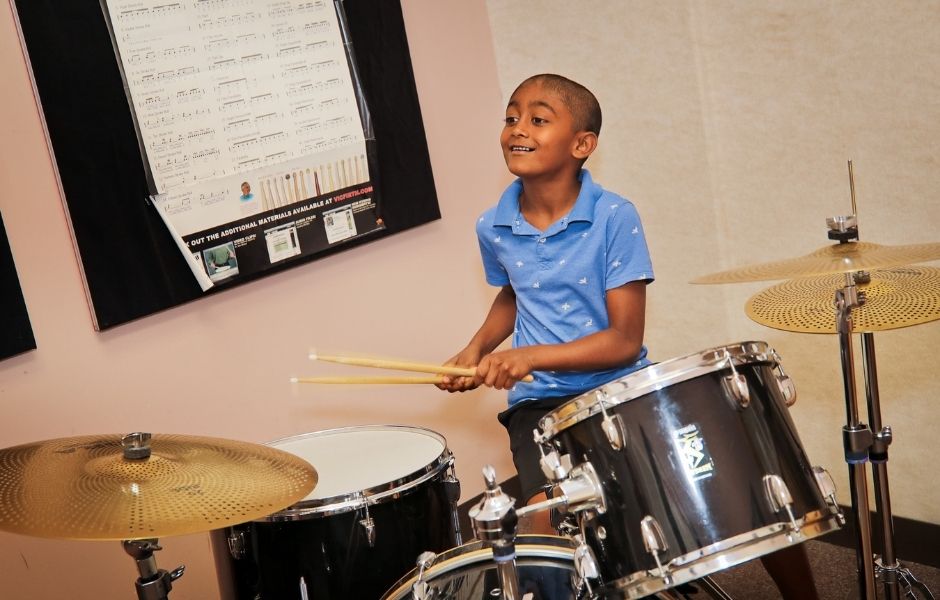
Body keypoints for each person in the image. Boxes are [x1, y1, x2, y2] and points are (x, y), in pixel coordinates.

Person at [439, 73, 819, 599]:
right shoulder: (492, 225)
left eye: (538, 119)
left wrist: (527, 354)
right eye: (510, 117)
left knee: (751, 489)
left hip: (621, 389)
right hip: (541, 407)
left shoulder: (614, 216)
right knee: (541, 536)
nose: (517, 128)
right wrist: (477, 348)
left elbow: (622, 340)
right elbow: (515, 292)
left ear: (582, 144)